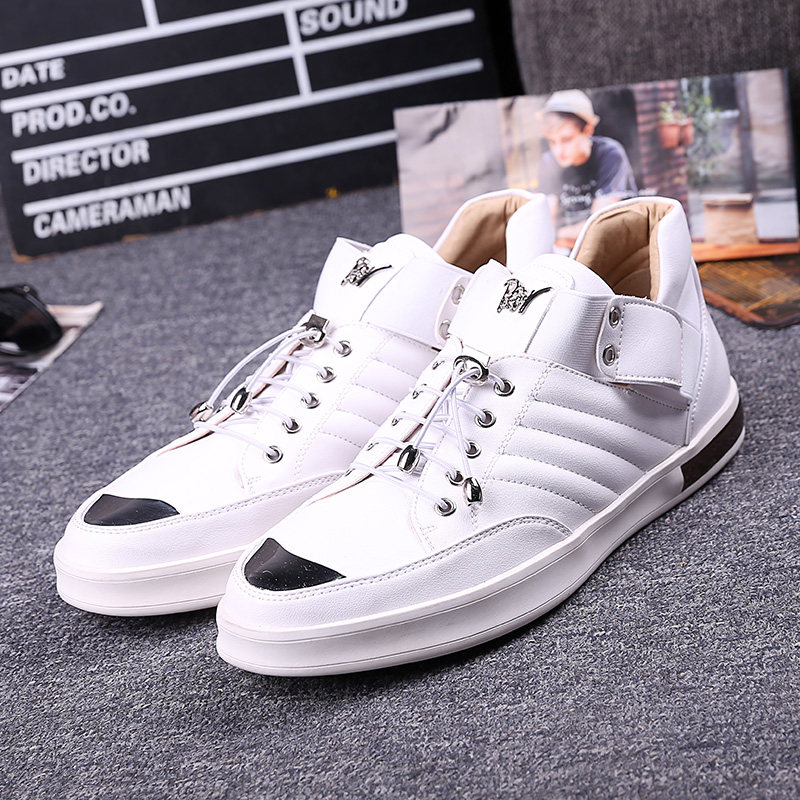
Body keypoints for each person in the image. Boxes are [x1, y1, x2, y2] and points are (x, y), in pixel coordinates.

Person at [538, 90, 638, 241]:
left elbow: (599, 228)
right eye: (552, 141)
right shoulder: (548, 161)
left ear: (588, 130)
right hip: (570, 249)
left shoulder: (610, 153)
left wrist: (557, 234)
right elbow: (545, 225)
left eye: (566, 140)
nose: (558, 151)